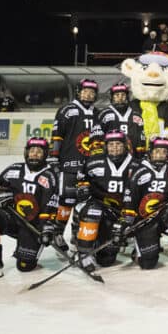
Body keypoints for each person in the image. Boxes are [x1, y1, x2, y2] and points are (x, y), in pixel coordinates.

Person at [0, 137, 60, 280]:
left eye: (39, 151)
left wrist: (46, 228)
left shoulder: (51, 176)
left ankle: (29, 248)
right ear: (26, 152)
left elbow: (51, 205)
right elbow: (1, 187)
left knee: (25, 266)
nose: (34, 154)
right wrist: (1, 197)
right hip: (12, 218)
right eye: (32, 150)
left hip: (33, 226)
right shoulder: (14, 169)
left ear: (45, 154)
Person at [75, 131, 140, 275]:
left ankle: (103, 241)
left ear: (125, 146)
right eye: (111, 144)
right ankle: (84, 254)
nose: (114, 148)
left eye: (118, 144)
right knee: (91, 212)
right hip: (100, 207)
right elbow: (82, 180)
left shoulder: (137, 165)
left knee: (107, 261)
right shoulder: (93, 161)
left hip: (122, 212)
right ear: (105, 146)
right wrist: (83, 187)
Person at [120, 137, 168, 269]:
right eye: (157, 151)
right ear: (150, 152)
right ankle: (142, 247)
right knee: (148, 264)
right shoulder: (137, 171)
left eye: (163, 152)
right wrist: (128, 221)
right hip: (145, 218)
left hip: (165, 213)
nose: (160, 155)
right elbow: (129, 198)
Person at [49, 78, 102, 247]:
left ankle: (76, 233)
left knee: (85, 201)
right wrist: (54, 158)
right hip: (69, 164)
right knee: (66, 201)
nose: (89, 94)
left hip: (90, 166)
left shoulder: (98, 113)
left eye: (92, 92)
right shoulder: (67, 110)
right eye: (86, 91)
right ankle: (57, 233)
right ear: (78, 92)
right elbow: (57, 136)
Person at [92, 83, 146, 158]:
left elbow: (141, 140)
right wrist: (99, 156)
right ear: (112, 97)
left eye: (123, 95)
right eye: (117, 95)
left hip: (132, 158)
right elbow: (96, 136)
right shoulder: (104, 114)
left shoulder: (137, 116)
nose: (120, 98)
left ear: (127, 97)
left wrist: (140, 158)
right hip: (110, 157)